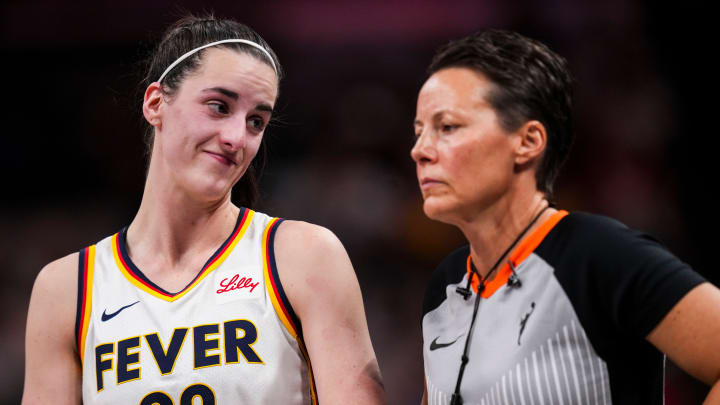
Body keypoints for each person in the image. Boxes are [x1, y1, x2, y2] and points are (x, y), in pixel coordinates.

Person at [23, 15, 385, 405]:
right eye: (218, 106)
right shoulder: (66, 290)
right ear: (156, 103)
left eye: (256, 121)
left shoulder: (305, 256)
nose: (236, 138)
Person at [412, 29, 720, 405]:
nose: (420, 150)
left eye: (447, 127)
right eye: (419, 131)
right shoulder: (444, 286)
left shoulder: (599, 255)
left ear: (528, 142)